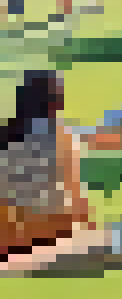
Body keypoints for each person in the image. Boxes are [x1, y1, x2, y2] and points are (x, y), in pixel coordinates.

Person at [0, 70, 91, 258]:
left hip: (8, 230)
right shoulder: (63, 138)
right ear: (55, 103)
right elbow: (76, 197)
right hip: (46, 229)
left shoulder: (5, 134)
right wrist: (85, 227)